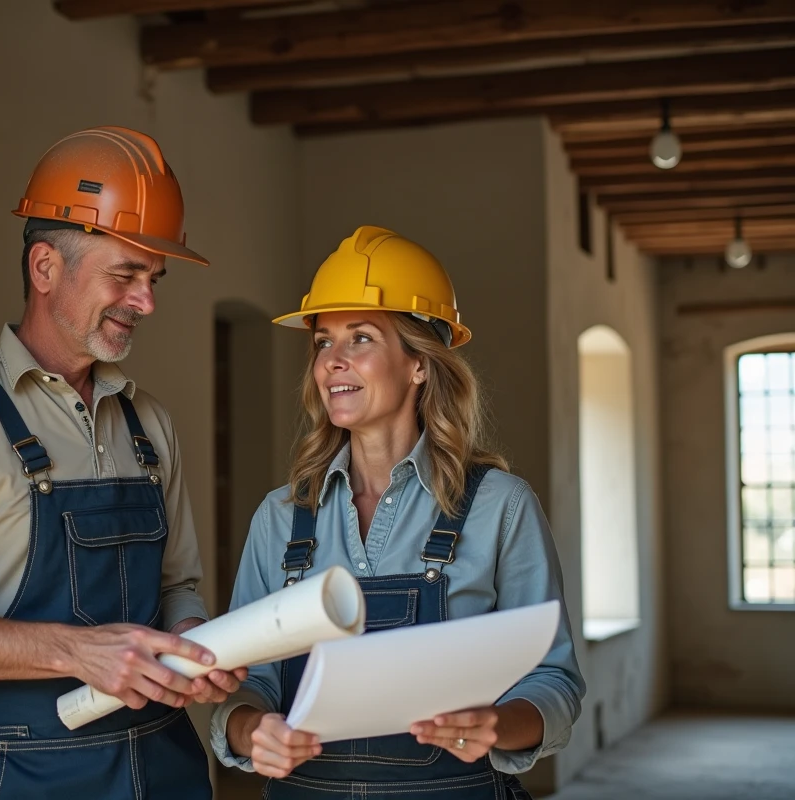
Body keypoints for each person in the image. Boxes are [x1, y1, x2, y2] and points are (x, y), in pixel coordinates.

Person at [0, 127, 245, 800]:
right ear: (45, 268)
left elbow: (180, 585)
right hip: (25, 777)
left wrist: (193, 641)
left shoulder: (148, 423)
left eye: (152, 280)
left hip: (166, 771)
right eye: (124, 276)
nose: (147, 302)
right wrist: (74, 651)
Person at [209, 226, 585, 799]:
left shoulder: (500, 508)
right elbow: (245, 682)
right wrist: (250, 729)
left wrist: (498, 725)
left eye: (360, 338)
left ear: (419, 364)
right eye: (322, 342)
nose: (332, 360)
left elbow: (554, 679)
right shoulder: (280, 517)